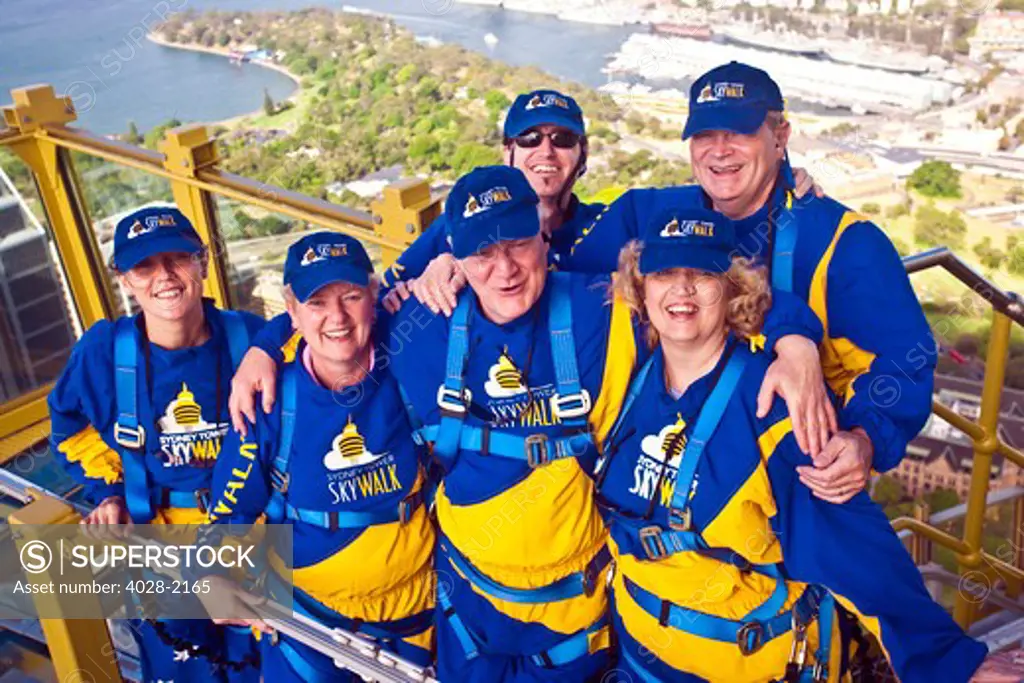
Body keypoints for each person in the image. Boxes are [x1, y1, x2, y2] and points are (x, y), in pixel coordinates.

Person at [229, 166, 830, 682]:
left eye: (516, 243)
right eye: (482, 254)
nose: (505, 268)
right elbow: (340, 328)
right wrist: (264, 344)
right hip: (347, 630)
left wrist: (795, 336)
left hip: (498, 630)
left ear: (543, 234)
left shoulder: (594, 313)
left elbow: (704, 280)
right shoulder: (316, 375)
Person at [595, 205, 988, 682]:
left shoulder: (774, 406)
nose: (682, 289)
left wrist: (950, 663)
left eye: (703, 272)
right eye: (664, 273)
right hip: (640, 658)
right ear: (641, 288)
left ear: (733, 289)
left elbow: (857, 549)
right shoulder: (629, 377)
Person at [569, 61, 936, 501]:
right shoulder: (643, 218)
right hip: (647, 484)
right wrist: (461, 256)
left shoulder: (845, 245)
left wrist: (864, 438)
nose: (719, 150)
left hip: (779, 500)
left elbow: (902, 364)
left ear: (780, 137)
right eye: (704, 135)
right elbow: (547, 289)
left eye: (738, 132)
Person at [204, 232, 435, 681]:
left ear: (374, 296)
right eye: (316, 304)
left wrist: (450, 267)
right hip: (307, 631)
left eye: (350, 296)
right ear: (291, 313)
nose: (337, 318)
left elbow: (464, 235)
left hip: (415, 623)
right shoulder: (268, 403)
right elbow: (222, 524)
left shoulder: (410, 367)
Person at [48, 206, 264, 683]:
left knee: (262, 666)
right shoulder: (105, 352)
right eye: (144, 266)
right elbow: (68, 422)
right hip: (158, 545)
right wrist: (108, 490)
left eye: (178, 259)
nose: (164, 277)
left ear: (202, 263)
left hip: (250, 536)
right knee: (182, 669)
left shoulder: (248, 337)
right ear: (125, 281)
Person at [381, 88, 602, 316]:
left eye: (563, 139)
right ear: (508, 151)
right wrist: (424, 282)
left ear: (583, 153)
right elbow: (385, 298)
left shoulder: (605, 227)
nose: (546, 151)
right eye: (529, 138)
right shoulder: (461, 224)